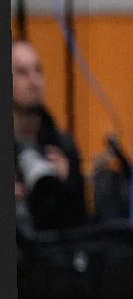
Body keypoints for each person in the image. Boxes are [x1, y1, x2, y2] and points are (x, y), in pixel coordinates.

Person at [13, 39, 88, 233]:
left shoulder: (62, 145)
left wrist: (67, 185)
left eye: (38, 71)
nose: (34, 81)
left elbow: (81, 226)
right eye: (22, 73)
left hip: (52, 245)